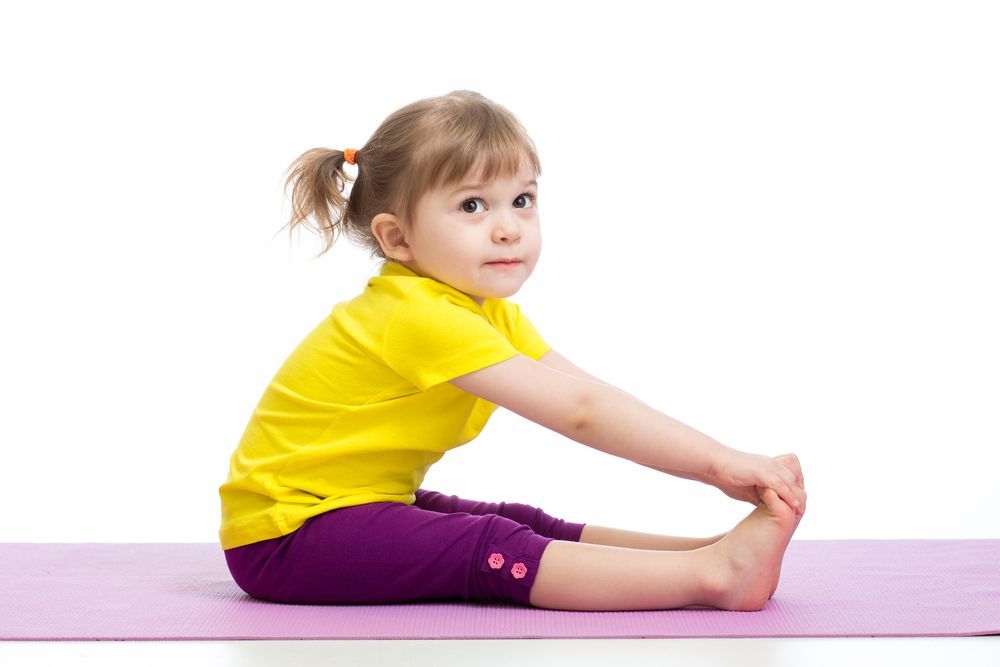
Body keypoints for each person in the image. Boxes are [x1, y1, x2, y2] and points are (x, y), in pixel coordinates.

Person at [218, 89, 807, 612]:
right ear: (396, 237)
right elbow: (580, 413)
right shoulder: (414, 315)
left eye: (521, 200)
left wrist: (716, 458)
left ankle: (703, 551)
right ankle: (714, 575)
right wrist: (716, 464)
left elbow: (589, 394)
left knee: (509, 522)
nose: (508, 228)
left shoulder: (485, 311)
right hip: (286, 536)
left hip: (351, 506)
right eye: (473, 206)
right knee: (489, 548)